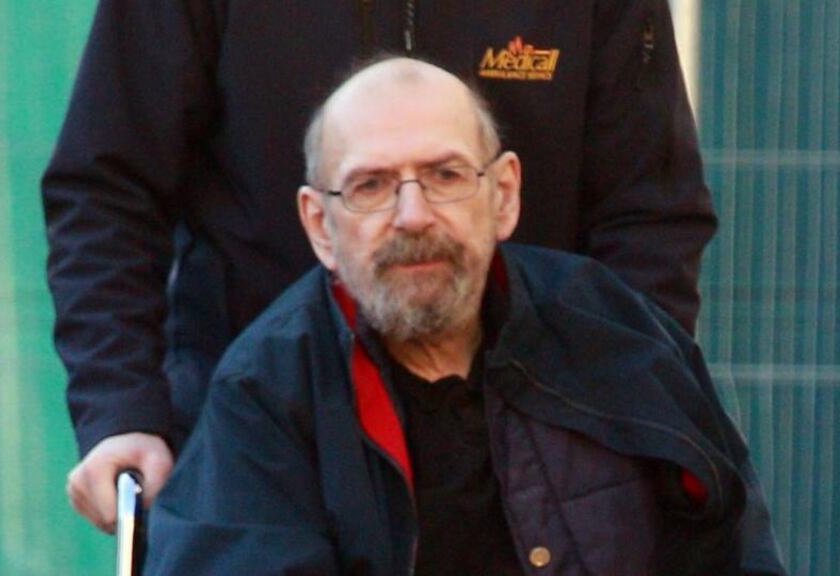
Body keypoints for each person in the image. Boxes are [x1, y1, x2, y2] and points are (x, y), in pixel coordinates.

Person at [43, 0, 718, 533]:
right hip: (261, 447)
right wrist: (120, 407)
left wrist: (621, 413)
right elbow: (109, 192)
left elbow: (649, 211)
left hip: (534, 451)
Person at [143, 57, 784, 576]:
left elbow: (733, 545)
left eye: (446, 175)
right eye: (371, 186)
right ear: (320, 225)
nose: (413, 215)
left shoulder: (616, 332)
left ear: (503, 195)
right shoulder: (266, 396)